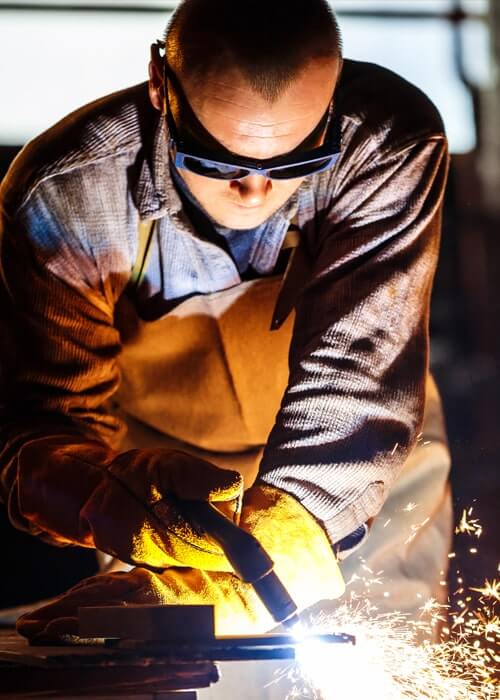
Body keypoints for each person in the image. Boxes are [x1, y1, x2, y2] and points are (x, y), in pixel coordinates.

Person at [0, 0, 451, 645]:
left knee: (385, 656)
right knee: (176, 667)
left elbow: (358, 371)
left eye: (293, 162)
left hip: (358, 464)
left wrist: (284, 553)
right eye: (217, 160)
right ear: (161, 84)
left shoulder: (384, 143)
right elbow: (49, 421)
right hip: (174, 492)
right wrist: (98, 493)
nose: (255, 192)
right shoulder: (68, 191)